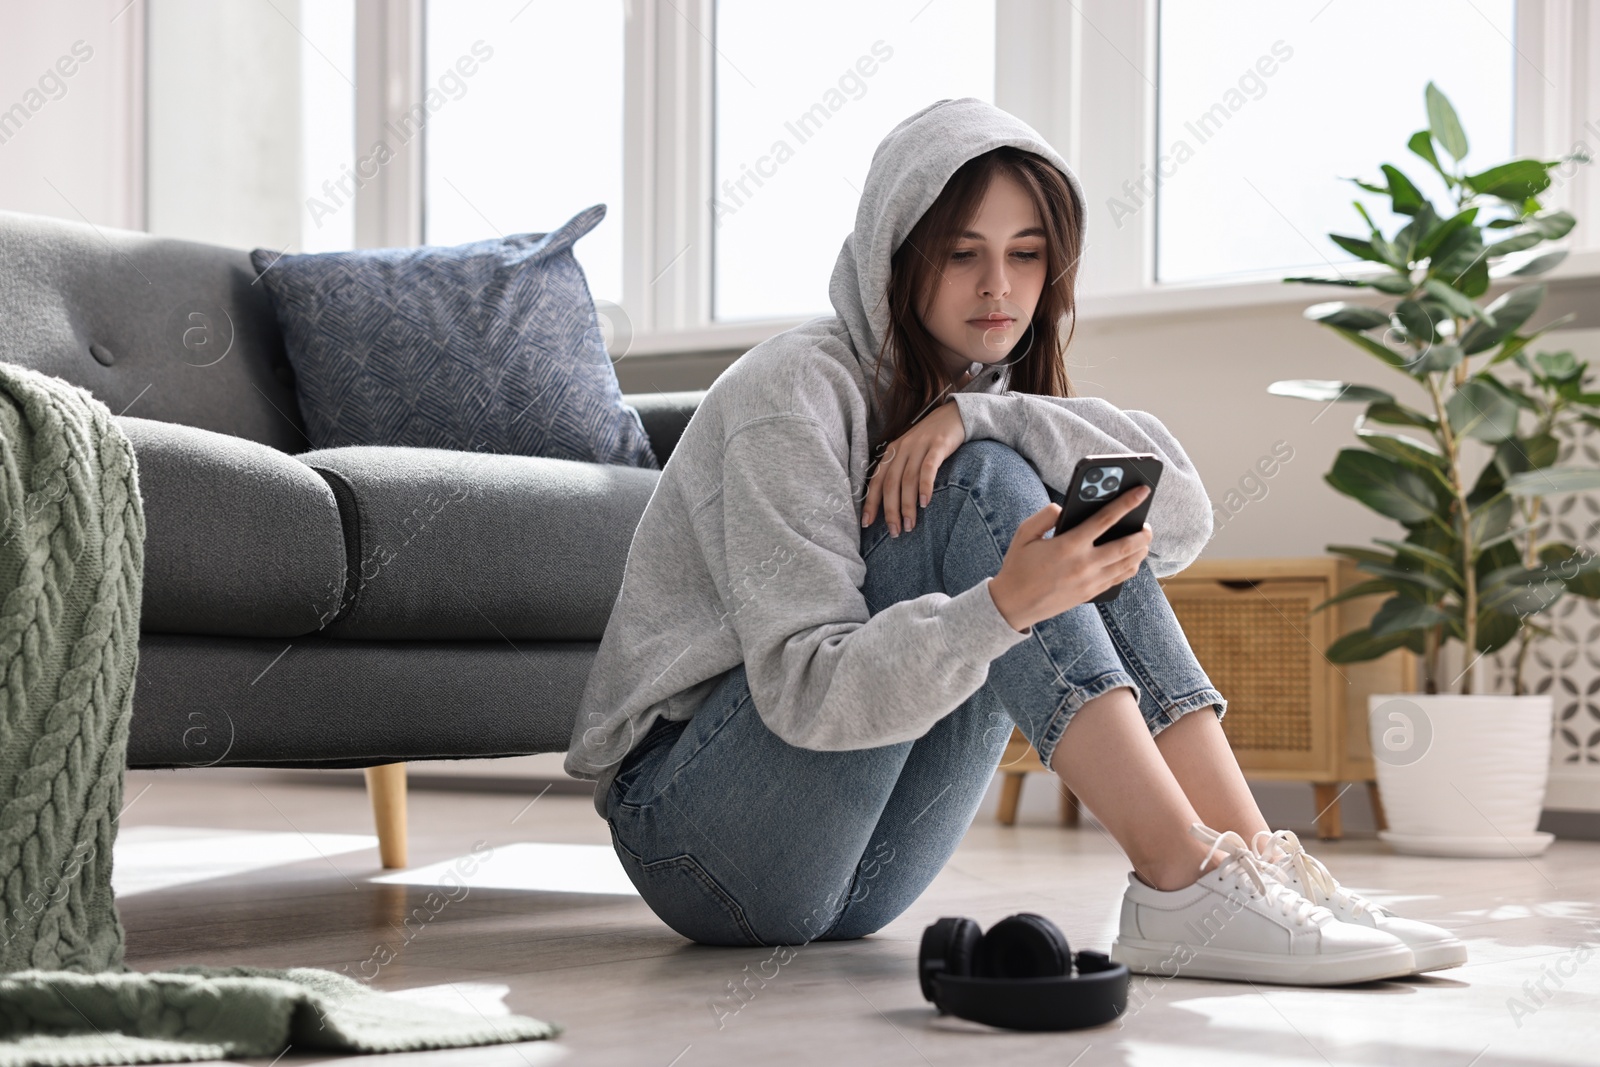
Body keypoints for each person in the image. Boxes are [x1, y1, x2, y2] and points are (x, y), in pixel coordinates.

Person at [563, 97, 1465, 985]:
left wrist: (983, 412)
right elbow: (804, 693)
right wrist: (1004, 604)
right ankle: (1181, 876)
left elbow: (1180, 517)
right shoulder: (791, 391)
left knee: (1080, 513)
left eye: (1026, 255)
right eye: (962, 255)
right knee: (990, 493)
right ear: (895, 256)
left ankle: (1252, 864)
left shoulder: (988, 399)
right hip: (703, 848)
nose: (999, 287)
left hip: (861, 879)